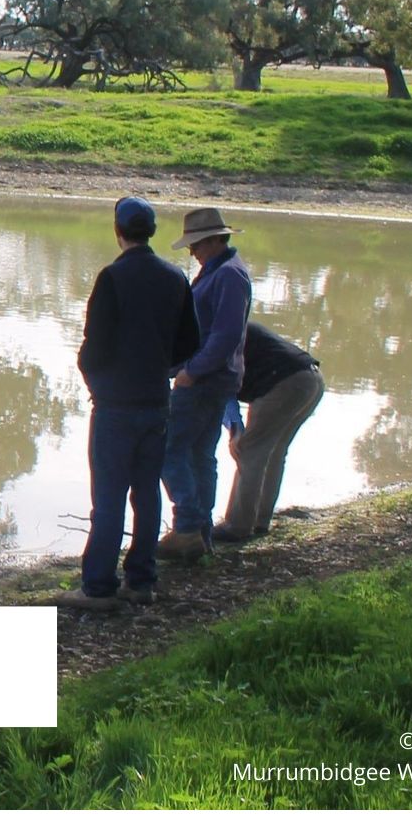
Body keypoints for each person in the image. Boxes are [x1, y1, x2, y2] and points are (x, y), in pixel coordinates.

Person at [59, 197, 200, 611]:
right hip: (157, 401)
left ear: (118, 231)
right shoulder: (176, 277)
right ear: (151, 231)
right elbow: (189, 343)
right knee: (146, 493)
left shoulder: (112, 278)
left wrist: (94, 379)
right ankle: (141, 579)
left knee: (108, 497)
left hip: (116, 405)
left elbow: (93, 344)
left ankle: (99, 585)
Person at [159, 207, 252, 561]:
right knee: (199, 454)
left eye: (196, 244)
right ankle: (199, 532)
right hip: (212, 379)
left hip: (205, 380)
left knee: (169, 451)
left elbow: (226, 336)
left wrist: (191, 372)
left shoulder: (229, 275)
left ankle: (187, 528)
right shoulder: (218, 271)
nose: (192, 251)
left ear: (215, 239)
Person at [214, 322, 324, 542]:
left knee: (250, 451)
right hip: (312, 379)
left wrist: (235, 429)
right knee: (273, 452)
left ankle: (238, 526)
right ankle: (260, 521)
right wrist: (235, 428)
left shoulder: (216, 335)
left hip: (283, 382)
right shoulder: (229, 323)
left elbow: (222, 380)